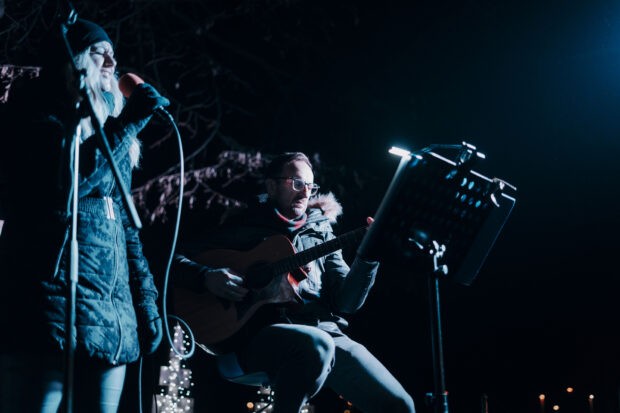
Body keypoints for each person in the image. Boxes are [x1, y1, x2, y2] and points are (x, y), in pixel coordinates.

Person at [0, 18, 167, 412]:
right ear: (72, 61)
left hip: (110, 322)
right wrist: (128, 124)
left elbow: (125, 227)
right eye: (99, 52)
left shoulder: (113, 132)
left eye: (113, 54)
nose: (111, 61)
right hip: (48, 315)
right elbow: (66, 185)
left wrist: (146, 303)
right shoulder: (36, 115)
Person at [173, 152, 415, 412]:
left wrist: (369, 256)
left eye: (311, 186)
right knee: (315, 345)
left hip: (324, 331)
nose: (305, 192)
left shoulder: (322, 232)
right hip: (253, 334)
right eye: (297, 183)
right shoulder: (242, 225)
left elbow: (347, 302)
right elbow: (173, 259)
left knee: (400, 406)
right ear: (271, 186)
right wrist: (205, 276)